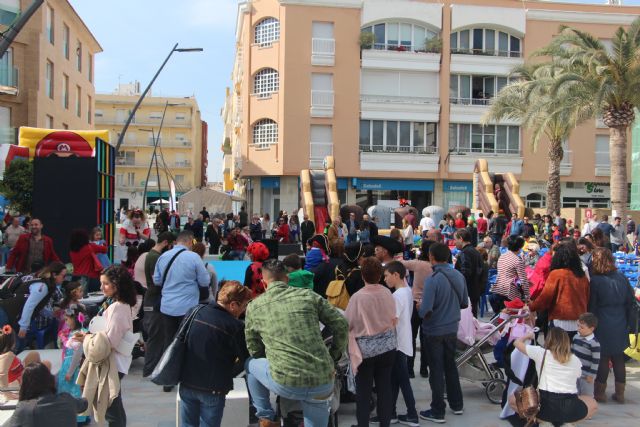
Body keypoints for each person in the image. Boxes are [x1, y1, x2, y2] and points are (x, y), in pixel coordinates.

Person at [244, 260, 348, 427]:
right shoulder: (309, 296)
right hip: (322, 379)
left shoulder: (254, 306)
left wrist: (275, 360)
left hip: (285, 381)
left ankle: (266, 418)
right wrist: (334, 356)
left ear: (264, 282)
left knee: (250, 363)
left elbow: (254, 348)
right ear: (286, 279)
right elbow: (341, 325)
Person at [178, 281, 251, 427]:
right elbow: (244, 357)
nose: (243, 311)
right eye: (243, 306)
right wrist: (228, 373)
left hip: (187, 383)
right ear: (233, 305)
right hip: (213, 389)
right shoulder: (235, 326)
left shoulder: (194, 311)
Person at [75, 265, 138, 425]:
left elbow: (109, 342)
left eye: (106, 284)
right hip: (113, 362)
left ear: (117, 285)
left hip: (112, 363)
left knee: (110, 406)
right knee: (114, 404)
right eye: (101, 283)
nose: (101, 287)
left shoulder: (117, 307)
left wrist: (87, 339)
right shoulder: (114, 302)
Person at [418, 242, 468, 423]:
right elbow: (464, 303)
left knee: (436, 370)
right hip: (452, 328)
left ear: (431, 257)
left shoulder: (433, 280)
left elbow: (426, 311)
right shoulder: (458, 276)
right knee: (451, 366)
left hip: (434, 330)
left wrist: (419, 307)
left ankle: (438, 410)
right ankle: (457, 404)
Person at [344, 257, 397, 427]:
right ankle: (385, 424)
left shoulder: (358, 298)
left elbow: (348, 323)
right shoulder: (387, 293)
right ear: (380, 275)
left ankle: (363, 424)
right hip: (387, 347)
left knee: (364, 392)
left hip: (365, 350)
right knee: (384, 388)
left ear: (363, 276)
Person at [153, 230, 210, 382]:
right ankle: (186, 375)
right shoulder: (194, 257)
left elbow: (157, 280)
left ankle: (167, 377)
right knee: (188, 341)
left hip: (167, 306)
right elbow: (205, 281)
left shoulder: (163, 256)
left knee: (169, 340)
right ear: (190, 241)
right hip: (188, 307)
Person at [513, 328, 597, 426]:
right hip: (569, 405)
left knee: (513, 400)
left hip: (545, 407)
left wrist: (528, 335)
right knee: (592, 403)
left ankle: (543, 421)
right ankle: (567, 423)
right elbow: (578, 375)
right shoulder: (575, 360)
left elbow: (516, 343)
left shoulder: (540, 353)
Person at [588, 247, 636, 404]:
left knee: (603, 356)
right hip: (621, 320)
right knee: (618, 357)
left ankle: (600, 393)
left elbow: (592, 306)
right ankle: (620, 393)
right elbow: (631, 302)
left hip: (602, 320)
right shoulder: (622, 277)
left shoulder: (596, 281)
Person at [381, 261, 419, 426]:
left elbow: (393, 321)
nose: (385, 279)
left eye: (387, 275)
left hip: (397, 343)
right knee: (396, 380)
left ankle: (412, 414)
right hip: (402, 341)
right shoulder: (407, 291)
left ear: (396, 275)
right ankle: (391, 413)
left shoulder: (397, 295)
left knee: (402, 380)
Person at [529, 244, 590, 339]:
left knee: (556, 352)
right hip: (578, 321)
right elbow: (587, 297)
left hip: (559, 320)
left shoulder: (556, 274)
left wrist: (532, 306)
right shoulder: (582, 276)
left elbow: (545, 298)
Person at [8, 362, 88, 427]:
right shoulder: (67, 399)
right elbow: (84, 404)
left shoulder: (24, 408)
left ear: (25, 385)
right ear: (50, 379)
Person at [142, 232, 175, 377]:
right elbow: (158, 280)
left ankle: (151, 368)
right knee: (156, 335)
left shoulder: (151, 255)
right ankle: (150, 369)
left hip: (152, 298)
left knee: (156, 335)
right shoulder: (156, 257)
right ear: (166, 242)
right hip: (155, 299)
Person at [401, 240, 434, 378]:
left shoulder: (417, 264)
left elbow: (402, 263)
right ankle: (424, 369)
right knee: (425, 338)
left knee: (412, 337)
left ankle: (409, 369)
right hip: (428, 305)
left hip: (414, 303)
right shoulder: (433, 266)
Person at [56, 306, 88, 424]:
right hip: (68, 364)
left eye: (67, 319)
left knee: (73, 391)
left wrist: (70, 371)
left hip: (73, 367)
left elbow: (77, 354)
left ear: (74, 319)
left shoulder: (80, 334)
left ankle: (77, 417)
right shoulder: (75, 333)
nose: (66, 322)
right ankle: (81, 415)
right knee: (70, 391)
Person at [490, 235, 529, 313]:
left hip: (498, 289)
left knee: (500, 318)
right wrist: (527, 296)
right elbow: (523, 280)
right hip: (509, 293)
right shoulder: (517, 260)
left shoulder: (502, 257)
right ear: (520, 247)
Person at [454, 228, 484, 318]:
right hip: (475, 291)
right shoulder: (476, 252)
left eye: (455, 239)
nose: (454, 242)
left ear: (461, 239)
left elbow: (465, 273)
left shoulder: (465, 253)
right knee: (472, 319)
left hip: (467, 294)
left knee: (466, 321)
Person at [571, 312, 600, 398]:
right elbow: (571, 353)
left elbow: (596, 361)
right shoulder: (576, 337)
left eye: (582, 327)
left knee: (587, 396)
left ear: (591, 329)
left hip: (586, 376)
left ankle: (588, 410)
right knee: (574, 394)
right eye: (578, 326)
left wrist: (591, 375)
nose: (579, 329)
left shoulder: (594, 344)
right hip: (575, 373)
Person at [69, 228, 107, 294]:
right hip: (90, 279)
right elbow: (104, 249)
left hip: (76, 278)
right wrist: (102, 242)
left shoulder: (72, 251)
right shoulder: (89, 247)